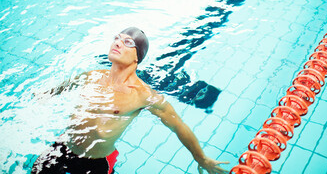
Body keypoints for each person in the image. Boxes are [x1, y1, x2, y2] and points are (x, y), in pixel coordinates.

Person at [31, 27, 229, 174]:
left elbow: (179, 126)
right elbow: (63, 87)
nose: (117, 42)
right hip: (64, 147)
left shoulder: (143, 95)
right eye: (117, 38)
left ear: (137, 57)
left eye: (127, 42)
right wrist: (44, 94)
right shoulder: (91, 76)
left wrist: (201, 158)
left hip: (96, 161)